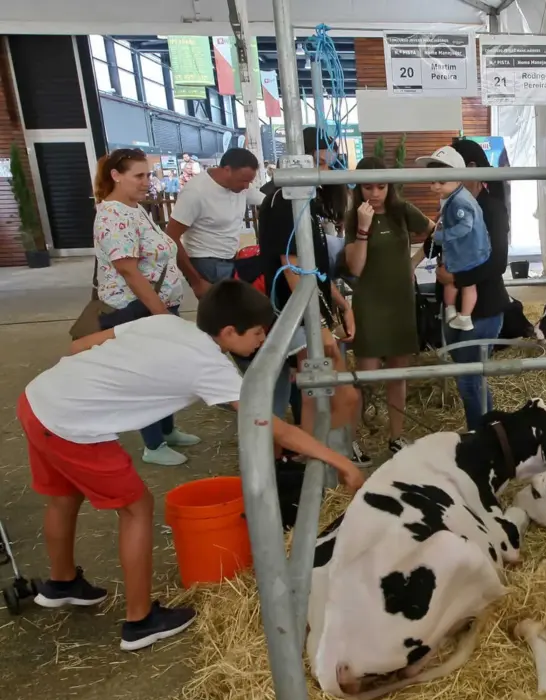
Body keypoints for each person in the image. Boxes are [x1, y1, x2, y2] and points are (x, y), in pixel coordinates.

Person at [19, 280, 364, 651]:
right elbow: (274, 428)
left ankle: (62, 583)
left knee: (63, 496)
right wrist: (337, 460)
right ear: (229, 332)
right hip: (72, 425)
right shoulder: (212, 367)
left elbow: (78, 345)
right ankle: (140, 621)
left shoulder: (168, 323)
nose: (263, 341)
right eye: (258, 334)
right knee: (137, 508)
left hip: (38, 400)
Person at [92, 148, 203, 467]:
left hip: (156, 305)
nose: (147, 182)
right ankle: (152, 445)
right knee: (145, 378)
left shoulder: (134, 209)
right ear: (116, 175)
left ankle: (167, 429)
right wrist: (161, 314)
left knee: (164, 373)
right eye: (139, 175)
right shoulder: (113, 214)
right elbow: (128, 270)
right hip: (133, 309)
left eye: (148, 175)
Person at [257, 128, 363, 457]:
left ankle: (306, 457)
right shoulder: (283, 200)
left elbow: (312, 267)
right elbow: (292, 268)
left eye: (329, 162)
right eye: (319, 162)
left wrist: (339, 301)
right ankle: (306, 459)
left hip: (309, 309)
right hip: (296, 313)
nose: (327, 169)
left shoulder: (307, 199)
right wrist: (316, 324)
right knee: (330, 394)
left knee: (315, 394)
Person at [343, 156, 435, 453]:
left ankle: (396, 437)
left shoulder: (402, 211)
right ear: (359, 188)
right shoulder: (354, 218)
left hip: (400, 302)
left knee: (398, 373)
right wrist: (363, 228)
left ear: (390, 186)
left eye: (381, 186)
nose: (375, 193)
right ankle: (351, 441)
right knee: (366, 379)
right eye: (368, 186)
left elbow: (435, 230)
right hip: (369, 304)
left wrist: (413, 262)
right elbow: (355, 268)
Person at [430, 138, 511, 430]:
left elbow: (497, 261)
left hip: (484, 306)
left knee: (469, 380)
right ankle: (486, 432)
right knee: (468, 378)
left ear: (470, 168)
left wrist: (455, 278)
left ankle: (483, 441)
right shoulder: (451, 204)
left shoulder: (491, 209)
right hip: (453, 303)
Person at [166, 147, 265, 289]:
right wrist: (196, 281)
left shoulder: (240, 187)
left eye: (249, 182)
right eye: (243, 180)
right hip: (206, 263)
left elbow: (266, 200)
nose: (246, 186)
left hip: (231, 258)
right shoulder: (196, 192)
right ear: (227, 170)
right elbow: (171, 236)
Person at [418, 146, 491, 332]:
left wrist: (443, 235)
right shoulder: (450, 197)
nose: (434, 187)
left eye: (440, 182)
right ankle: (451, 311)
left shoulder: (461, 201)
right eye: (432, 181)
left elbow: (465, 226)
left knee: (465, 283)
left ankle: (464, 316)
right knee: (453, 281)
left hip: (469, 252)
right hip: (461, 250)